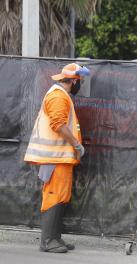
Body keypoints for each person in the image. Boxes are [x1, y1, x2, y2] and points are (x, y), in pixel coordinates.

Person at [24, 63, 90, 253]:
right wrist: (77, 145)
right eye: (81, 81)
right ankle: (47, 241)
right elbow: (58, 125)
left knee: (61, 196)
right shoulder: (58, 96)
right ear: (73, 81)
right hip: (54, 158)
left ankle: (55, 238)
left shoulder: (61, 95)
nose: (81, 85)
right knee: (53, 197)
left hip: (60, 158)